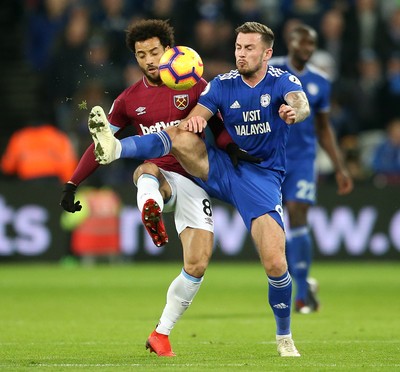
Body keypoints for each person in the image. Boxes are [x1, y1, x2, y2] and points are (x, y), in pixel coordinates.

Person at [88, 21, 311, 357]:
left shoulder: (281, 80)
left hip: (260, 178)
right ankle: (117, 149)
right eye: (238, 47)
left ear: (267, 53)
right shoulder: (222, 84)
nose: (241, 54)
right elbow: (201, 113)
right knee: (179, 135)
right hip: (218, 168)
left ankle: (284, 336)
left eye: (249, 48)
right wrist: (196, 120)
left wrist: (295, 111)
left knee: (276, 264)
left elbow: (301, 102)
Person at [60, 19, 258, 357]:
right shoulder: (128, 100)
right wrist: (73, 182)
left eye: (154, 51)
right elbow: (101, 144)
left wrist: (232, 148)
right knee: (146, 167)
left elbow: (219, 127)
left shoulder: (195, 85)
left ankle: (161, 334)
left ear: (169, 50)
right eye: (141, 55)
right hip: (160, 175)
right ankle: (150, 205)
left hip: (196, 179)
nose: (149, 60)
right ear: (135, 58)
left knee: (197, 264)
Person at [269, 25, 353, 314]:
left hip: (303, 159)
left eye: (311, 43)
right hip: (269, 158)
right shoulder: (270, 70)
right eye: (301, 41)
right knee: (273, 228)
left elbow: (323, 128)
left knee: (297, 212)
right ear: (289, 42)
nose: (306, 47)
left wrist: (340, 167)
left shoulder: (320, 81)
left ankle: (302, 293)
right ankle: (301, 282)